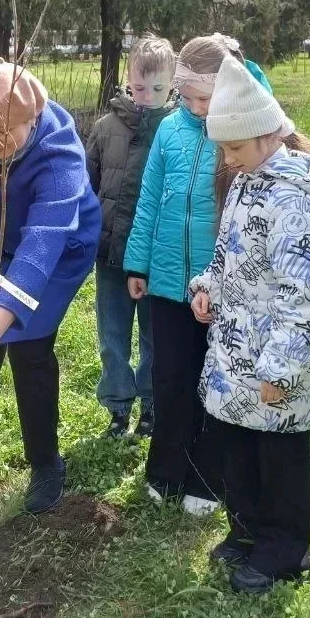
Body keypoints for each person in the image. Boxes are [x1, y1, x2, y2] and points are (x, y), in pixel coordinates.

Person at [190, 56, 310, 593]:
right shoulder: (248, 182)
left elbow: (305, 296)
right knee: (240, 452)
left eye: (233, 148)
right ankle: (247, 531)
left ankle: (284, 551)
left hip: (276, 361)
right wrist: (207, 285)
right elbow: (231, 257)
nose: (226, 160)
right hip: (236, 352)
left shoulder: (294, 200)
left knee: (279, 461)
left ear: (265, 135)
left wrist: (281, 369)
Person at [0, 61, 101, 514]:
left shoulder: (60, 157)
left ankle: (46, 463)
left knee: (25, 344)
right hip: (1, 237)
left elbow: (41, 247)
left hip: (57, 251)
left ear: (34, 117)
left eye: (3, 134)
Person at [123, 34, 272, 513]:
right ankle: (165, 471)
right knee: (170, 378)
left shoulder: (240, 133)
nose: (193, 106)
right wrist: (137, 262)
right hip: (167, 283)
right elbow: (148, 199)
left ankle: (205, 481)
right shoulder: (170, 130)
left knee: (215, 382)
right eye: (185, 97)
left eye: (202, 98)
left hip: (219, 288)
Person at [86, 35, 177, 439]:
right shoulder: (105, 128)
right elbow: (86, 187)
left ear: (173, 84)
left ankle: (153, 409)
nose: (147, 97)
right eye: (139, 88)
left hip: (158, 259)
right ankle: (118, 409)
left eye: (157, 89)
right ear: (127, 79)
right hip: (110, 255)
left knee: (154, 339)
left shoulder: (178, 130)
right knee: (112, 336)